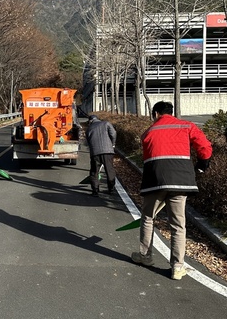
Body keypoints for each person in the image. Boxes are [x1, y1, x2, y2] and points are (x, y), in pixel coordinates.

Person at [131, 101, 212, 280]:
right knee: (178, 224)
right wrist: (203, 162)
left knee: (148, 218)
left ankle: (145, 256)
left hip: (154, 180)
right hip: (180, 181)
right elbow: (204, 146)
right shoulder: (186, 126)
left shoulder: (148, 132)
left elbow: (148, 156)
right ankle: (177, 267)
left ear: (156, 113)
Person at [85, 114, 117, 196]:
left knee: (94, 172)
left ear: (90, 121)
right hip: (107, 151)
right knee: (109, 170)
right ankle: (111, 189)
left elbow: (88, 142)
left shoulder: (88, 129)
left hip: (95, 153)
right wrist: (112, 144)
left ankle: (95, 191)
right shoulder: (106, 123)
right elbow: (113, 133)